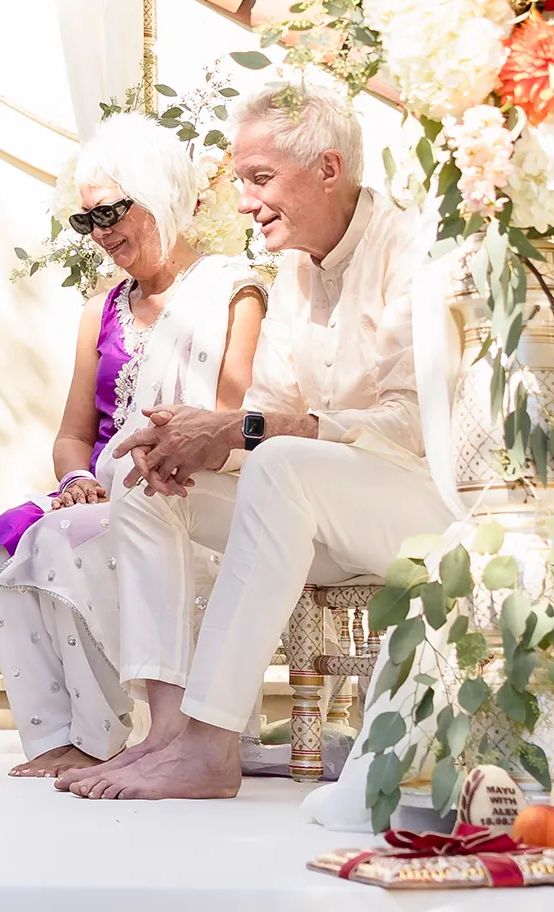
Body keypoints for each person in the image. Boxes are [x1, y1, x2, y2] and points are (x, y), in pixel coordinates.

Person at [66, 79, 450, 800]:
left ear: (329, 170)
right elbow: (270, 407)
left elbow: (409, 426)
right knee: (141, 478)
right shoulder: (296, 271)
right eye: (241, 180)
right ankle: (169, 731)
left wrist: (242, 431)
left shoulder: (415, 251)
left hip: (422, 509)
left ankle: (212, 749)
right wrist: (194, 442)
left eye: (259, 179)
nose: (242, 201)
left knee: (281, 465)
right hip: (312, 514)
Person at [0, 115, 264, 778]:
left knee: (58, 543)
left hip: (190, 489)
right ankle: (60, 738)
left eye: (110, 212)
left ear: (157, 193)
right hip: (103, 491)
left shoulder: (231, 292)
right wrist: (75, 478)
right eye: (88, 220)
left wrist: (152, 462)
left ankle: (111, 738)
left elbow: (228, 417)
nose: (101, 233)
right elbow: (73, 435)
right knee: (0, 543)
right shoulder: (100, 310)